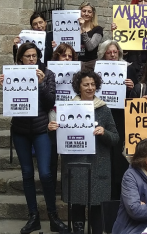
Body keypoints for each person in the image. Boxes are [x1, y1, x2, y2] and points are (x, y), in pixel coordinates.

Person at [0, 43, 67, 234]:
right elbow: (12, 103)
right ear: (20, 58)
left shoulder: (48, 74)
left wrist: (40, 84)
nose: (31, 59)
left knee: (46, 173)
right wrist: (4, 85)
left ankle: (53, 216)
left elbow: (50, 102)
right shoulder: (13, 73)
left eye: (34, 56)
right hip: (20, 130)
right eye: (27, 56)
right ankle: (33, 217)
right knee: (27, 174)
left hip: (40, 129)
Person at [48, 71, 119, 234]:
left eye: (93, 84)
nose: (90, 88)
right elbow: (57, 141)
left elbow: (115, 138)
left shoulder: (104, 109)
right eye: (86, 84)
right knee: (77, 208)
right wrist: (52, 130)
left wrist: (104, 132)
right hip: (75, 166)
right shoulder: (67, 108)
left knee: (96, 212)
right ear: (78, 86)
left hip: (98, 167)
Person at [97, 39, 137, 199]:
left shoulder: (129, 69)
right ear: (103, 54)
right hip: (104, 114)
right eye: (109, 52)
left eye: (115, 52)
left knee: (120, 155)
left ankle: (120, 191)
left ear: (119, 53)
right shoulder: (97, 69)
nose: (113, 55)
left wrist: (132, 87)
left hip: (122, 117)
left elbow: (134, 97)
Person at [48, 43, 78, 191]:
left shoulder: (78, 73)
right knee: (52, 154)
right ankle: (52, 189)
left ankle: (71, 189)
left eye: (70, 56)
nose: (66, 58)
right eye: (63, 55)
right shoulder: (48, 72)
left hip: (72, 114)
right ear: (57, 56)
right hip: (53, 113)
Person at [77, 2, 103, 71]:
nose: (86, 14)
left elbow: (90, 47)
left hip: (91, 66)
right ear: (80, 12)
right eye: (84, 11)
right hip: (75, 64)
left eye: (89, 12)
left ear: (92, 15)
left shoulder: (97, 29)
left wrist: (82, 29)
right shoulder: (73, 29)